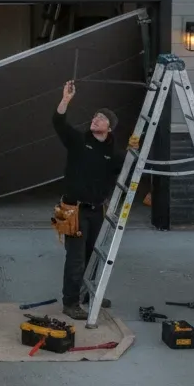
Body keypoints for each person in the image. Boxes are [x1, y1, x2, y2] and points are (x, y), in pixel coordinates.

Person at [52, 80, 126, 320]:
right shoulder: (78, 141)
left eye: (101, 118)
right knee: (75, 259)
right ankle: (70, 302)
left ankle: (87, 294)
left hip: (96, 211)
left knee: (93, 256)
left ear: (110, 128)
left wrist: (135, 151)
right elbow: (58, 123)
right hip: (72, 209)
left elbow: (124, 168)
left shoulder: (111, 153)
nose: (95, 119)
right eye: (95, 116)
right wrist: (66, 99)